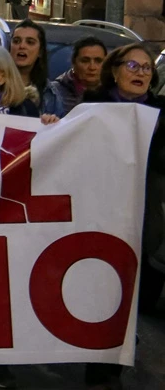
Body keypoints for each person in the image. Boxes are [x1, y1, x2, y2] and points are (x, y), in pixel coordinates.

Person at [80, 46, 165, 390]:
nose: (141, 72)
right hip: (99, 212)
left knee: (129, 295)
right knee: (102, 291)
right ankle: (97, 370)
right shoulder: (92, 106)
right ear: (114, 71)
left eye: (146, 67)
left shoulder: (161, 112)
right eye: (132, 64)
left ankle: (113, 367)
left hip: (143, 217)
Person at [45, 36, 106, 117]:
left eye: (98, 61)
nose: (92, 67)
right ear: (73, 62)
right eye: (85, 61)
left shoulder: (114, 92)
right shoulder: (53, 93)